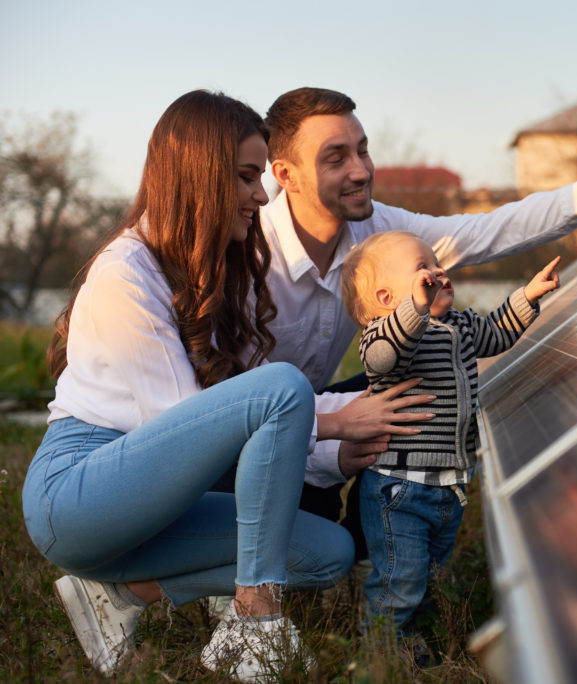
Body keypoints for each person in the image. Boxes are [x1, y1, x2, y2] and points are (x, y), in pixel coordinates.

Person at [19, 90, 429, 680]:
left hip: (157, 501)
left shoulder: (204, 269)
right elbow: (197, 428)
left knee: (326, 555)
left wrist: (340, 445)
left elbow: (240, 425)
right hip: (82, 494)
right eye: (246, 177)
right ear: (199, 175)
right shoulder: (123, 276)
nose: (262, 196)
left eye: (259, 176)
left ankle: (118, 596)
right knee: (282, 383)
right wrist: (335, 426)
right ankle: (255, 624)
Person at [249, 86, 577, 543]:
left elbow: (483, 231)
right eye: (336, 158)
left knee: (414, 392)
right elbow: (231, 401)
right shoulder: (248, 254)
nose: (361, 171)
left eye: (363, 151)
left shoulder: (377, 228)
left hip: (321, 413)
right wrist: (343, 421)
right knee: (293, 548)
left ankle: (387, 534)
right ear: (286, 174)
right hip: (246, 435)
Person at [339, 230, 561, 640]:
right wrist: (415, 313)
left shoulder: (460, 324)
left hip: (449, 487)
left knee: (427, 577)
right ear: (389, 300)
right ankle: (382, 651)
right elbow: (383, 358)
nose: (438, 271)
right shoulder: (386, 336)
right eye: (422, 268)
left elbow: (495, 333)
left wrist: (527, 297)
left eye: (435, 262)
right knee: (400, 583)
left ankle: (412, 640)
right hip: (400, 490)